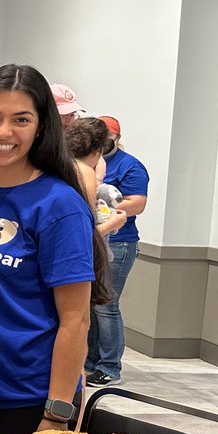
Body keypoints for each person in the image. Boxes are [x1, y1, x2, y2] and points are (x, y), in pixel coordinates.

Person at [0, 64, 111, 434]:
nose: (3, 132)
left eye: (21, 119)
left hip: (29, 397)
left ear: (41, 127)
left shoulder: (58, 204)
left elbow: (76, 321)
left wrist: (57, 413)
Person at [85, 115, 149, 387]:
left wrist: (105, 203)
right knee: (91, 304)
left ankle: (110, 367)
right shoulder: (88, 161)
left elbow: (137, 203)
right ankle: (90, 362)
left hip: (119, 243)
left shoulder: (130, 166)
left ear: (117, 138)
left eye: (108, 137)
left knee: (107, 306)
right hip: (96, 242)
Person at [64, 117, 129, 237]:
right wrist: (112, 224)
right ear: (97, 152)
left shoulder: (56, 171)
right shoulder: (85, 175)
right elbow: (81, 236)